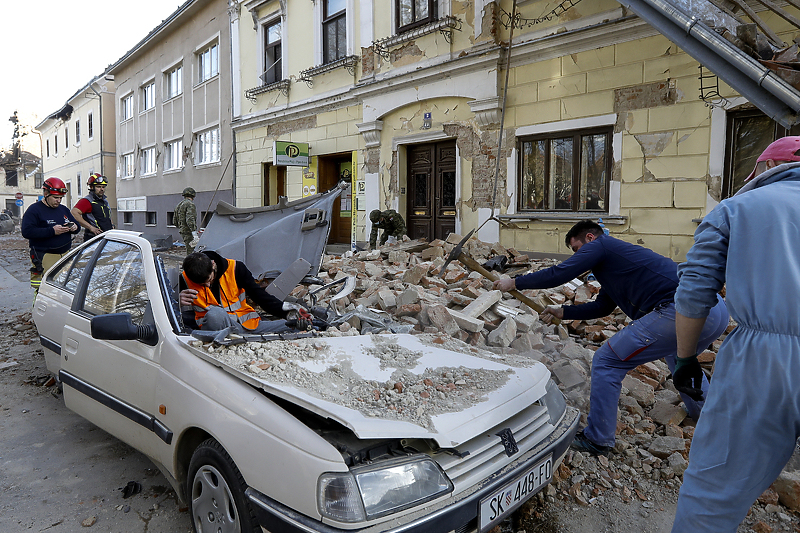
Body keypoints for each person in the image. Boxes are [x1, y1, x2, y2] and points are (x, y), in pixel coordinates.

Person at [493, 220, 729, 456]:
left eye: (576, 249)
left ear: (589, 238)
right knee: (680, 359)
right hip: (713, 309)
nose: (578, 256)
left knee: (607, 361)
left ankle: (598, 439)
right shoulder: (614, 264)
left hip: (680, 308)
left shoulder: (601, 246)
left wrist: (514, 281)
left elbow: (561, 272)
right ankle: (707, 418)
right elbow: (603, 307)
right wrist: (564, 312)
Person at [671, 136, 800, 532]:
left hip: (765, 359)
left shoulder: (738, 208)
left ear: (764, 169)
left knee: (714, 488)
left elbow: (694, 294)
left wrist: (686, 358)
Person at [178, 250, 312, 334]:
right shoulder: (185, 278)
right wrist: (178, 303)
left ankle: (312, 325)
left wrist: (286, 311)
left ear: (213, 265)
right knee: (215, 315)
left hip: (245, 326)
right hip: (214, 328)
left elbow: (260, 297)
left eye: (209, 279)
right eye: (201, 284)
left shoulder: (236, 268)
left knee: (291, 325)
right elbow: (182, 318)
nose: (207, 285)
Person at [21, 177, 82, 294]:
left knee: (64, 287)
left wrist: (75, 227)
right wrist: (52, 231)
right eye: (55, 198)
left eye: (60, 198)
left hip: (65, 254)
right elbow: (27, 231)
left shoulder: (63, 209)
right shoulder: (34, 210)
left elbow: (77, 226)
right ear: (46, 193)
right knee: (46, 289)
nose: (58, 201)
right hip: (45, 255)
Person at [71, 173, 114, 242]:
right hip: (93, 238)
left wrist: (112, 225)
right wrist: (91, 227)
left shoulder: (105, 201)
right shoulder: (87, 201)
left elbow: (107, 216)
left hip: (106, 237)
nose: (102, 189)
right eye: (98, 187)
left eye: (103, 187)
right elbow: (74, 213)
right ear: (91, 187)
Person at [175, 187, 199, 254]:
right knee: (191, 252)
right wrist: (194, 234)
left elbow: (175, 221)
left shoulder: (179, 205)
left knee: (189, 250)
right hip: (189, 232)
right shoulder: (190, 204)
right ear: (193, 195)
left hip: (183, 231)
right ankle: (190, 264)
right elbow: (190, 219)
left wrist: (181, 227)